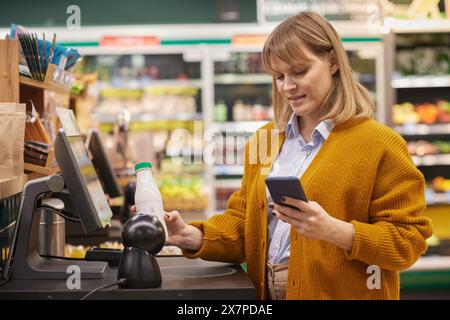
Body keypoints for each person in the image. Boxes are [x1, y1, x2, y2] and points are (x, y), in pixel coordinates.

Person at [133, 12, 433, 300]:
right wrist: (189, 235)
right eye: (279, 76)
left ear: (332, 61)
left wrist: (335, 231)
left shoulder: (379, 143)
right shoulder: (266, 139)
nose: (288, 86)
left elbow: (408, 241)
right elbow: (243, 226)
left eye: (300, 71)